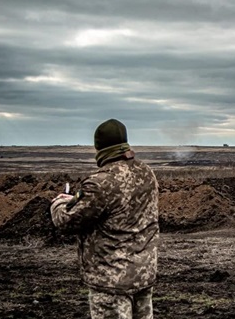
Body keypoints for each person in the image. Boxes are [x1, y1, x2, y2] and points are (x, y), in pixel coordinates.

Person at [50, 119, 160, 319]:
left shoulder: (101, 182)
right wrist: (76, 199)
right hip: (142, 275)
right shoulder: (146, 173)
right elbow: (118, 204)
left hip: (111, 280)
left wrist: (58, 203)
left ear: (99, 147)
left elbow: (67, 221)